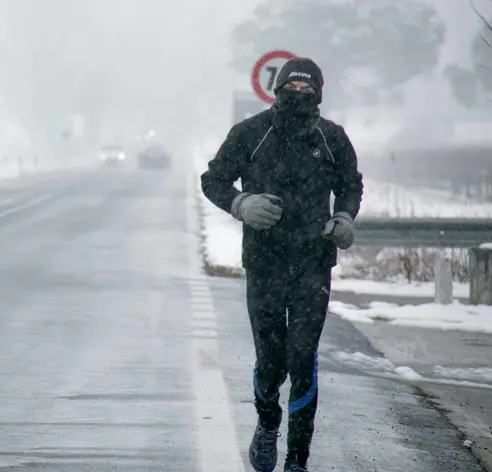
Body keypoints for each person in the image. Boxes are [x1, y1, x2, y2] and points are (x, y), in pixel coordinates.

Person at [200, 57, 364, 472]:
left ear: (319, 95)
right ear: (277, 91)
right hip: (264, 263)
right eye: (291, 90)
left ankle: (296, 459)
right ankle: (267, 422)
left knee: (303, 357)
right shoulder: (250, 133)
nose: (298, 97)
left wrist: (344, 217)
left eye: (306, 91)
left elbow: (351, 184)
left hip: (313, 263)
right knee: (272, 359)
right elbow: (213, 178)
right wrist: (240, 204)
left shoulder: (332, 138)